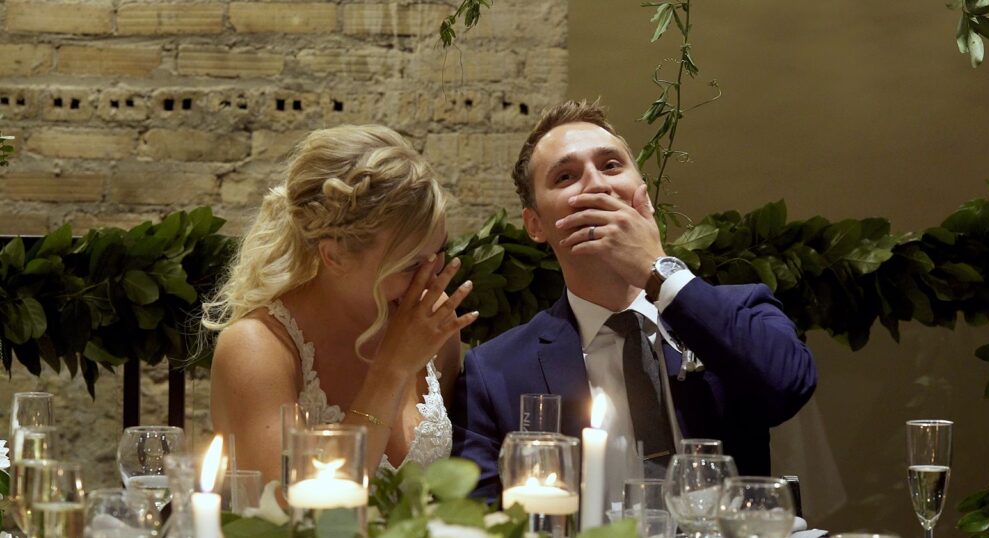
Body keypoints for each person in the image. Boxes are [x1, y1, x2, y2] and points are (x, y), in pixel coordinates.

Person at [450, 101, 817, 502]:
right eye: (566, 176)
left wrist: (657, 271)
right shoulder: (495, 371)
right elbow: (481, 519)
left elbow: (788, 387)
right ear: (535, 225)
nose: (596, 185)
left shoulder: (740, 308)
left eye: (610, 166)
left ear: (643, 195)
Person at [203, 125, 477, 483]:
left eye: (439, 252)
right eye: (410, 264)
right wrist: (391, 371)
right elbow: (288, 510)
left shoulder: (431, 320)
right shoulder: (256, 347)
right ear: (334, 256)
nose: (431, 276)